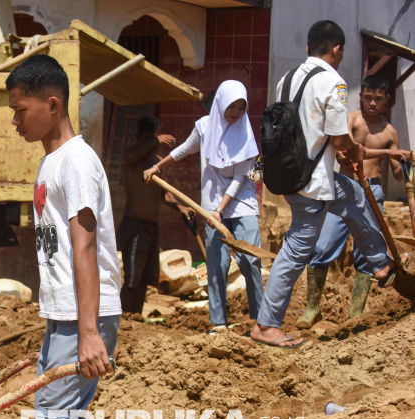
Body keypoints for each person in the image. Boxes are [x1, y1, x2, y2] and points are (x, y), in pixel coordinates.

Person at [0, 54, 185, 419]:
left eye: (20, 109)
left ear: (52, 105)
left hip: (85, 314)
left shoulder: (76, 161)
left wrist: (90, 330)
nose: (14, 119)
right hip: (68, 313)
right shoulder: (52, 159)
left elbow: (84, 246)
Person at [251, 20, 398, 349]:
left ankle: (379, 263)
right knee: (295, 250)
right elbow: (338, 136)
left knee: (354, 196)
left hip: (291, 175)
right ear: (337, 49)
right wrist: (353, 151)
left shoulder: (287, 79)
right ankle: (266, 325)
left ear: (308, 49)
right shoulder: (333, 81)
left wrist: (337, 155)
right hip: (312, 185)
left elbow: (303, 130)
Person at [145, 80, 264, 334]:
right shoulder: (204, 127)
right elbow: (183, 150)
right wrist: (157, 167)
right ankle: (219, 321)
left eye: (241, 107)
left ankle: (261, 320)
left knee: (250, 260)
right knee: (217, 264)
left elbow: (240, 179)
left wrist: (221, 209)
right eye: (231, 106)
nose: (236, 112)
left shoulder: (246, 133)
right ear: (220, 103)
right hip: (211, 205)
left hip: (240, 202)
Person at [298, 74, 413, 326]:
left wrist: (406, 163)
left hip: (373, 193)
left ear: (387, 101)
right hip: (346, 192)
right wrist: (387, 152)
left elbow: (395, 172)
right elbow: (343, 155)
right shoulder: (350, 120)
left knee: (369, 257)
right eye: (368, 97)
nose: (372, 103)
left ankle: (355, 316)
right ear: (361, 96)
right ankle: (311, 309)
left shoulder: (390, 132)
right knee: (322, 247)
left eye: (378, 99)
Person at [118, 117, 195, 315]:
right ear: (140, 137)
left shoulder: (157, 163)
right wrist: (155, 140)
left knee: (145, 278)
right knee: (133, 278)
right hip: (134, 226)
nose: (157, 143)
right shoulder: (132, 160)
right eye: (152, 138)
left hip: (151, 229)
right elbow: (126, 156)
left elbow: (164, 194)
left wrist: (181, 208)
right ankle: (125, 317)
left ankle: (136, 316)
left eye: (159, 138)